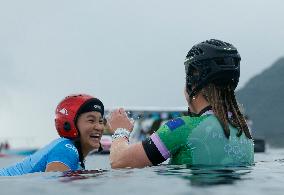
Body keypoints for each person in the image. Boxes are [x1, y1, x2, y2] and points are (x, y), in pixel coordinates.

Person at [108, 39, 254, 168]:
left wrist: (121, 131)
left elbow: (119, 161)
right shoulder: (243, 131)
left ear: (192, 84)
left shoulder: (182, 128)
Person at [0, 94, 105, 176]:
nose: (99, 127)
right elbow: (55, 189)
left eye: (101, 121)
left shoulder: (70, 152)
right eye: (91, 120)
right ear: (69, 125)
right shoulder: (67, 150)